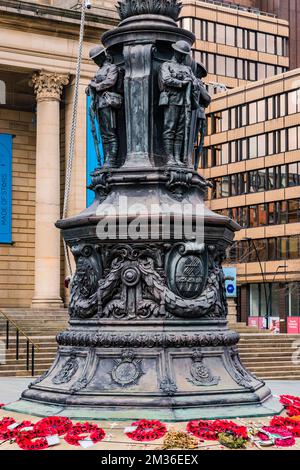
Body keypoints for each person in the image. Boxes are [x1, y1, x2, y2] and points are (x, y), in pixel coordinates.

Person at [159, 40, 195, 166]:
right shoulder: (166, 65)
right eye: (181, 53)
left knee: (180, 131)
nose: (183, 56)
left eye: (185, 54)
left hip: (185, 102)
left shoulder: (187, 68)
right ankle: (170, 158)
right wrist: (182, 82)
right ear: (176, 52)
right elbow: (166, 79)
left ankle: (177, 158)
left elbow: (194, 82)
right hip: (172, 99)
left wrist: (190, 82)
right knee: (170, 128)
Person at [88, 46, 122, 168]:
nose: (95, 62)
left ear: (102, 56)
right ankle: (107, 158)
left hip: (108, 102)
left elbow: (110, 82)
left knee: (110, 133)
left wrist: (96, 86)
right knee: (104, 134)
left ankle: (111, 160)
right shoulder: (99, 70)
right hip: (99, 104)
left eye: (96, 59)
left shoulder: (111, 68)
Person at [193, 62, 211, 170]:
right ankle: (193, 165)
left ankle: (195, 165)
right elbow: (207, 99)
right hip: (198, 114)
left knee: (199, 141)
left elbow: (207, 99)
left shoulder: (197, 83)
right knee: (196, 141)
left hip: (199, 114)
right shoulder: (197, 83)